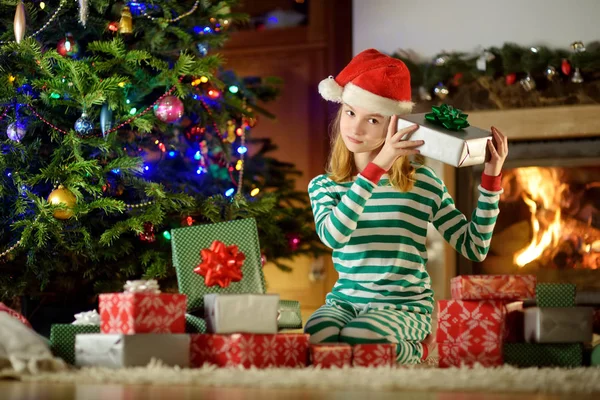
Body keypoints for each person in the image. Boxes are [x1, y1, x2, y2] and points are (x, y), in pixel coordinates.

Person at [304, 49, 508, 364]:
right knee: (317, 337)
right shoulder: (324, 186)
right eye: (349, 113)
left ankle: (418, 348)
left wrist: (492, 179)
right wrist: (375, 169)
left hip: (404, 306)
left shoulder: (423, 183)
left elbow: (474, 247)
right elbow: (334, 236)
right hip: (345, 302)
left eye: (372, 119)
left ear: (394, 126)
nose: (355, 129)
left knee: (361, 337)